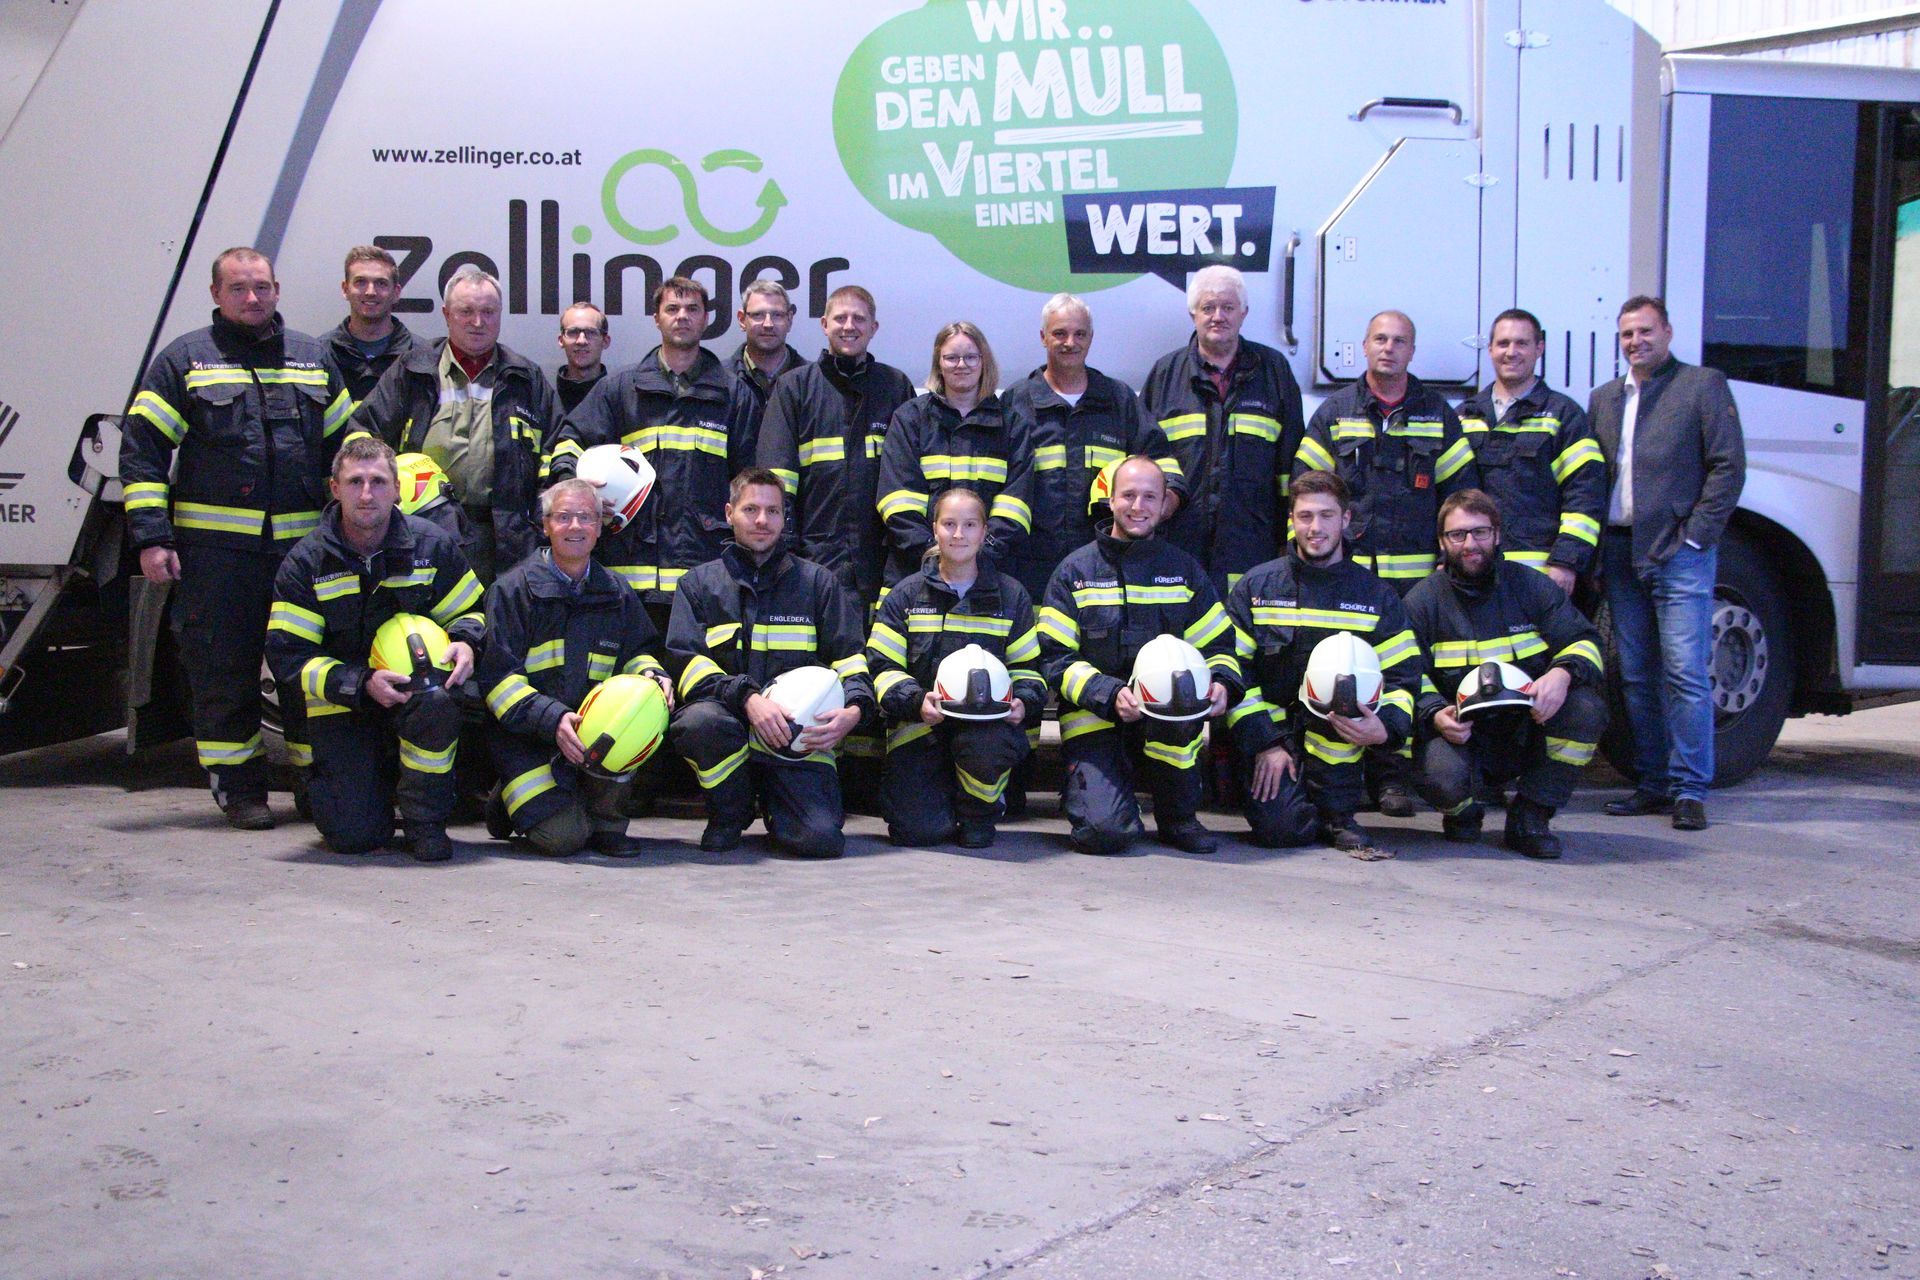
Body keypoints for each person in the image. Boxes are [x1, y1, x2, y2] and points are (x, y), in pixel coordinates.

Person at [120, 246, 353, 829]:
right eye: (240, 289)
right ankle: (240, 789)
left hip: (303, 557)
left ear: (277, 291)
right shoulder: (187, 361)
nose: (253, 299)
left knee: (308, 673)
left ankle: (313, 782)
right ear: (216, 295)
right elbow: (143, 452)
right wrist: (152, 537)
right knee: (223, 670)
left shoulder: (311, 357)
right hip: (216, 558)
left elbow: (346, 448)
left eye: (263, 288)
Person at [1294, 309, 1478, 818]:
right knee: (1346, 674)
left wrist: (1451, 558)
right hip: (1348, 578)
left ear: (1412, 351)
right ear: (1364, 346)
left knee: (1402, 676)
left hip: (1417, 582)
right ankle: (1340, 777)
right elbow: (1306, 490)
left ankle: (1391, 779)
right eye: (1380, 338)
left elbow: (1460, 494)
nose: (1389, 348)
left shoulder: (1437, 415)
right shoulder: (1334, 413)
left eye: (1399, 341)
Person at [263, 437, 482, 862]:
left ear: (397, 489)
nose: (367, 494)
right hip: (343, 705)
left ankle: (424, 822)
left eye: (379, 482)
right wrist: (360, 683)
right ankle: (350, 787)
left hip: (419, 698)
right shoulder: (307, 562)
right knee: (355, 837)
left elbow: (472, 610)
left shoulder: (431, 547)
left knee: (438, 705)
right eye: (356, 481)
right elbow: (289, 657)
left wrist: (467, 642)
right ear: (335, 488)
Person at [1591, 295, 1746, 831]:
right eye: (1627, 334)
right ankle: (1652, 783)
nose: (1636, 341)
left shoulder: (1702, 386)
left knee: (1684, 672)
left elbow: (1728, 467)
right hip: (1618, 549)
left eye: (1645, 331)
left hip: (1678, 552)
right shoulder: (1604, 398)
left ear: (1668, 333)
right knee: (1635, 674)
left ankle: (1689, 789)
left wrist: (1697, 538)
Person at [665, 468, 875, 857]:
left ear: (784, 517)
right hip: (731, 729)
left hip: (797, 742)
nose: (762, 520)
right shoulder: (697, 585)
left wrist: (855, 711)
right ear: (729, 513)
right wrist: (747, 698)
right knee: (698, 723)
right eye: (751, 509)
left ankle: (784, 808)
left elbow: (850, 660)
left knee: (820, 841)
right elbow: (687, 665)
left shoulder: (818, 584)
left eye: (773, 511)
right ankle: (731, 810)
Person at [1037, 456, 1239, 855]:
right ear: (1109, 500)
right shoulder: (1073, 572)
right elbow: (1055, 657)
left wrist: (1222, 683)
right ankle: (1092, 795)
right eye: (1128, 495)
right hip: (1095, 717)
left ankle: (1178, 817)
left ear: (1165, 504)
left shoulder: (1184, 571)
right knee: (1105, 835)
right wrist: (1108, 693)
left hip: (1168, 717)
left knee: (1180, 724)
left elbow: (1219, 645)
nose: (1138, 506)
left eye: (1150, 497)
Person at [1224, 470, 1421, 856]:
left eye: (1327, 516)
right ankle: (1292, 804)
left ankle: (1338, 814)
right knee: (1282, 832)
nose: (1315, 528)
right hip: (1273, 738)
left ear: (1346, 519)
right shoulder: (1256, 588)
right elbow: (1233, 671)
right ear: (1292, 521)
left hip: (1338, 739)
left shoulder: (1376, 595)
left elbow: (1404, 676)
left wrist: (1385, 728)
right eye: (1305, 516)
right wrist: (1265, 742)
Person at [549, 276, 761, 632]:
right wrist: (576, 493)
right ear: (656, 318)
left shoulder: (734, 395)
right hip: (630, 578)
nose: (683, 317)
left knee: (700, 679)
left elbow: (752, 484)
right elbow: (570, 442)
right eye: (672, 309)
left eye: (693, 309)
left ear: (706, 319)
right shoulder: (621, 387)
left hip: (706, 575)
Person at [1404, 490, 1608, 858]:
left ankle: (1531, 816)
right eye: (1458, 535)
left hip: (1527, 729)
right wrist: (1434, 713)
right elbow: (1403, 674)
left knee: (1586, 710)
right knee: (1440, 774)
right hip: (1461, 736)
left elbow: (1586, 641)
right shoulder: (1423, 601)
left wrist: (1561, 674)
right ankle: (1463, 814)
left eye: (1480, 532)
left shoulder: (1530, 586)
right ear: (1442, 541)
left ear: (1497, 534)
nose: (1470, 544)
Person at [478, 478, 674, 856]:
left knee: (639, 710)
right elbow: (498, 682)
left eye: (585, 517)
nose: (575, 527)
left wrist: (653, 675)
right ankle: (508, 801)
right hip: (529, 742)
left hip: (593, 736)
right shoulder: (512, 591)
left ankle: (609, 822)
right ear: (546, 523)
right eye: (564, 517)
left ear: (599, 528)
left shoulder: (616, 591)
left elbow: (639, 651)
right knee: (565, 838)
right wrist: (553, 720)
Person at [348, 265, 559, 585]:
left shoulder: (525, 378)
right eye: (466, 311)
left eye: (488, 311)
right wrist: (380, 492)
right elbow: (363, 433)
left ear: (501, 314)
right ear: (447, 314)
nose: (478, 322)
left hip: (504, 537)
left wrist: (546, 504)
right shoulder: (413, 369)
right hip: (422, 530)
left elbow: (557, 444)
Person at [867, 488, 1045, 848]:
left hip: (987, 730)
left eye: (969, 525)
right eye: (949, 524)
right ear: (935, 529)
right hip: (920, 728)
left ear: (984, 532)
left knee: (986, 750)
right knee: (919, 832)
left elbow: (1029, 668)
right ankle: (943, 799)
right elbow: (881, 666)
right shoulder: (904, 595)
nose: (958, 534)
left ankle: (980, 814)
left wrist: (1024, 700)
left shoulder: (1011, 596)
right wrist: (915, 700)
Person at [1004, 293, 1186, 603]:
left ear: (1091, 338)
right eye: (1059, 333)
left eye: (1080, 334)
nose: (1070, 342)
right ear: (1043, 337)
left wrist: (1167, 499)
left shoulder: (1119, 399)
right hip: (1029, 562)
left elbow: (1160, 461)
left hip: (1107, 564)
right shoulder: (1017, 402)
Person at [1141, 264, 1304, 598]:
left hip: (1253, 540)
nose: (1218, 316)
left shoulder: (1274, 372)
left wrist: (1290, 538)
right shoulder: (1165, 374)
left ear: (1244, 313)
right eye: (1208, 308)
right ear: (1193, 315)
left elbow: (1293, 465)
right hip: (1177, 538)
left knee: (1244, 632)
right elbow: (1145, 455)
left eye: (1227, 307)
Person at [755, 284, 917, 606]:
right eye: (840, 317)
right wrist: (785, 554)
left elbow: (910, 478)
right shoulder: (794, 388)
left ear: (874, 328)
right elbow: (775, 481)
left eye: (859, 318)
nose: (849, 326)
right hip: (811, 559)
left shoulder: (895, 387)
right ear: (824, 324)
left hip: (881, 562)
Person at [1455, 309, 1605, 592]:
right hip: (1475, 569)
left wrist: (1565, 562)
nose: (1511, 352)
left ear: (1539, 348)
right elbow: (1448, 498)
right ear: (1490, 350)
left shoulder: (1564, 415)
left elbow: (1585, 494)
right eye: (1503, 343)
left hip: (1542, 574)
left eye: (1521, 343)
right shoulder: (1466, 416)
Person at [875, 322, 1035, 585]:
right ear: (939, 363)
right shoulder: (910, 419)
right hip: (915, 573)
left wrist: (978, 556)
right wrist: (934, 555)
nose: (962, 364)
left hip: (990, 573)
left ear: (984, 362)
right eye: (951, 357)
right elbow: (896, 500)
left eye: (971, 357)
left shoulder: (1012, 425)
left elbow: (1017, 504)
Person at [326, 245, 416, 407]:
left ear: (396, 292)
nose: (370, 292)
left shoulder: (422, 356)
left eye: (381, 283)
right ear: (345, 289)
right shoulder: (320, 354)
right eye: (360, 282)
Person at [729, 279, 804, 418]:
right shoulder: (718, 378)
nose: (768, 324)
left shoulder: (812, 381)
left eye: (777, 315)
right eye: (758, 315)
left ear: (789, 320)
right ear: (742, 320)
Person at [555, 302, 611, 415]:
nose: (581, 341)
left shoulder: (619, 403)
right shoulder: (546, 403)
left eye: (591, 332)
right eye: (573, 332)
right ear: (561, 341)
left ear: (605, 341)